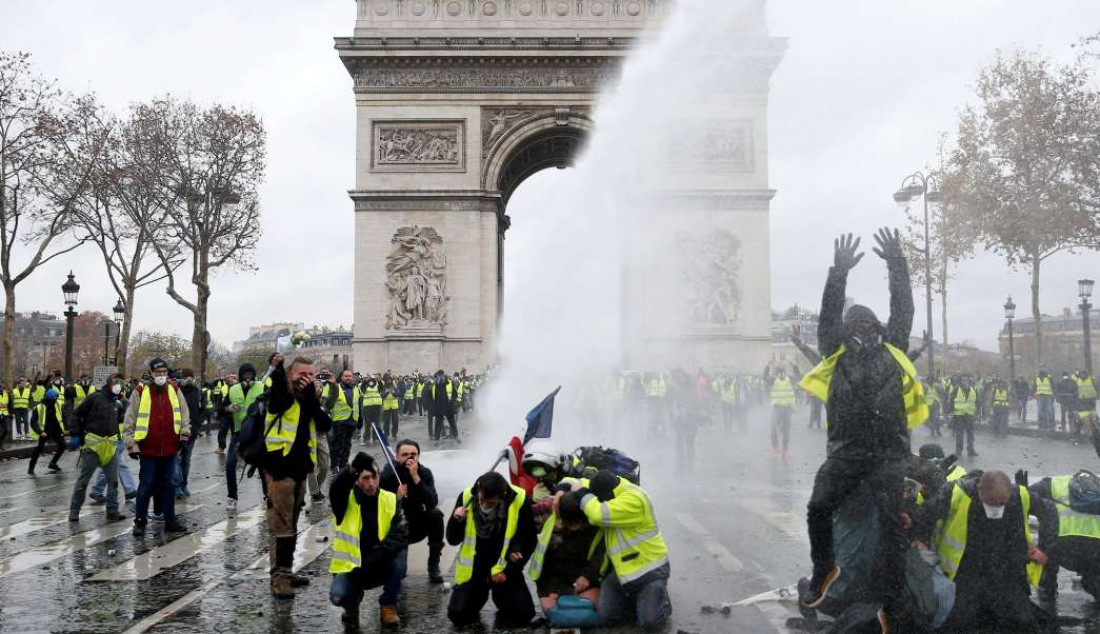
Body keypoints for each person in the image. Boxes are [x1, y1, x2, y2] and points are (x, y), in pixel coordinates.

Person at [798, 229, 924, 632]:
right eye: (860, 323)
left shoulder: (896, 348)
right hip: (848, 450)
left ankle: (891, 601)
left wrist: (896, 263)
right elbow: (829, 314)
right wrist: (838, 272)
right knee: (818, 507)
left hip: (888, 452)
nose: (867, 328)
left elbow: (903, 307)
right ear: (849, 329)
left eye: (872, 323)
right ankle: (824, 571)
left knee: (891, 530)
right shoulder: (835, 351)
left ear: (880, 327)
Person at [915, 470, 1044, 631]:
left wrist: (1045, 550)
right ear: (980, 491)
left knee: (1019, 620)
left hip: (1004, 569)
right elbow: (923, 517)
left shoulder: (1019, 495)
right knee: (959, 621)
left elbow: (1049, 511)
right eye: (992, 502)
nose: (997, 507)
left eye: (1002, 503)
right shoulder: (955, 493)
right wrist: (920, 542)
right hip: (964, 570)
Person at [262, 354, 332, 598]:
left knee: (290, 524)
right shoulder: (281, 394)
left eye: (311, 375)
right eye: (302, 374)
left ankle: (286, 571)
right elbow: (279, 385)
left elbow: (325, 424)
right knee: (280, 525)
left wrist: (312, 396)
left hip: (301, 468)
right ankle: (279, 578)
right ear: (291, 374)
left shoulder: (308, 399)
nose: (307, 379)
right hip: (279, 468)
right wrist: (279, 366)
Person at [564, 470, 671, 631]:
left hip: (649, 571)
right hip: (622, 573)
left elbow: (597, 514)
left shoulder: (634, 500)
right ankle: (639, 600)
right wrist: (561, 489)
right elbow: (575, 482)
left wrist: (581, 494)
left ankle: (662, 603)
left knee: (649, 623)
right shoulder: (612, 485)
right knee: (607, 616)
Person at [446, 471, 537, 627]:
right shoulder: (467, 496)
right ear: (478, 491)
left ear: (502, 496)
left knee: (523, 615)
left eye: (491, 503)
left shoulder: (520, 500)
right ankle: (477, 597)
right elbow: (452, 540)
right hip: (475, 569)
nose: (484, 506)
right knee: (458, 614)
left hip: (504, 567)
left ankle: (502, 598)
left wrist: (509, 571)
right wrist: (456, 521)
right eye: (481, 500)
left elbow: (530, 541)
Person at [329, 452, 407, 627]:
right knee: (338, 596)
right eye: (365, 478)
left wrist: (379, 553)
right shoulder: (344, 500)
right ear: (357, 480)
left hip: (380, 561)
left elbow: (401, 533)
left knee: (401, 552)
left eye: (374, 477)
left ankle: (388, 605)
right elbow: (336, 488)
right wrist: (352, 469)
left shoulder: (391, 499)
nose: (371, 483)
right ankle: (352, 605)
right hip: (352, 567)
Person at [124, 358, 191, 536]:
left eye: (163, 372)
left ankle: (170, 520)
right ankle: (140, 520)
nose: (161, 375)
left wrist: (184, 435)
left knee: (169, 485)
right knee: (146, 485)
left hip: (170, 447)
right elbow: (130, 419)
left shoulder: (174, 390)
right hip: (148, 449)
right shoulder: (140, 391)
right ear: (151, 373)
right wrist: (131, 445)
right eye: (157, 372)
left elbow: (184, 415)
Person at [530, 491, 605, 628]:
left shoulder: (594, 525)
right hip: (554, 581)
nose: (577, 527)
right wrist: (552, 590)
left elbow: (599, 557)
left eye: (579, 523)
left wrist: (587, 576)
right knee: (554, 614)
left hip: (582, 579)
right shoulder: (550, 529)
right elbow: (543, 568)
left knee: (590, 613)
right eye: (572, 524)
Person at [379, 439, 445, 583]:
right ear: (397, 457)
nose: (409, 458)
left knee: (436, 515)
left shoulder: (424, 473)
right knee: (398, 573)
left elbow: (432, 501)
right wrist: (396, 498)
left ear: (418, 457)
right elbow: (378, 507)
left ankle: (433, 565)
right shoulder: (388, 474)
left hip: (416, 524)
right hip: (394, 527)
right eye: (405, 454)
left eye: (413, 455)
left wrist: (416, 478)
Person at [1030, 472, 1100, 601]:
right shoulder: (1097, 486)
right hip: (1095, 549)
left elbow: (1028, 500)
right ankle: (1093, 584)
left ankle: (1047, 589)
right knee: (1094, 577)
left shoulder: (1052, 483)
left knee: (1047, 533)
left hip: (1059, 545)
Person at [69, 374, 127, 523]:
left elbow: (119, 420)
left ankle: (112, 511)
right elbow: (76, 414)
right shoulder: (94, 398)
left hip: (110, 447)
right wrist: (75, 434)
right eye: (115, 383)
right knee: (83, 480)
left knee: (113, 481)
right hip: (93, 446)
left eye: (120, 383)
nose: (118, 386)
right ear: (108, 384)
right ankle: (74, 511)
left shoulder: (117, 403)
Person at [225, 363, 265, 512]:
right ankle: (232, 497)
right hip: (238, 432)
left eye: (250, 374)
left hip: (256, 433)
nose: (247, 377)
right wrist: (228, 408)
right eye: (245, 375)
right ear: (241, 376)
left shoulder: (261, 386)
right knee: (230, 464)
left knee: (262, 466)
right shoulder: (233, 389)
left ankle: (267, 495)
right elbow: (221, 408)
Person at [325, 369, 361, 477]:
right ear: (341, 377)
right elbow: (329, 403)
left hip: (352, 421)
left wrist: (360, 421)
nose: (348, 378)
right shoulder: (336, 388)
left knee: (347, 445)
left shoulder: (356, 389)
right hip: (339, 421)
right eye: (346, 376)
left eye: (350, 376)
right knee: (337, 445)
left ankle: (343, 465)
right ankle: (334, 466)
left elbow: (358, 405)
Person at [175, 368, 203, 500]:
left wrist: (198, 424)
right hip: (178, 430)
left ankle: (183, 485)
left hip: (192, 431)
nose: (188, 379)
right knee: (177, 459)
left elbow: (202, 409)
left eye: (190, 376)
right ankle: (176, 486)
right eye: (186, 376)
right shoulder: (176, 391)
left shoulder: (197, 391)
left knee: (186, 459)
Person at [28, 388, 67, 475]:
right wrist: (40, 432)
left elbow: (64, 417)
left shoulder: (58, 404)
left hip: (56, 430)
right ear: (49, 398)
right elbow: (33, 421)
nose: (56, 400)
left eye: (56, 398)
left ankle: (53, 463)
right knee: (39, 448)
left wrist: (67, 428)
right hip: (44, 431)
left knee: (63, 445)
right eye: (54, 398)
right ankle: (31, 467)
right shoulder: (39, 407)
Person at [948, 374, 979, 457]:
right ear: (960, 381)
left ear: (969, 381)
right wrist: (951, 412)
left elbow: (977, 402)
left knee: (970, 433)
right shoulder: (956, 389)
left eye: (965, 380)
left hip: (970, 414)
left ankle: (970, 450)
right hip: (959, 414)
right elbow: (951, 400)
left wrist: (978, 413)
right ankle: (958, 451)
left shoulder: (974, 389)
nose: (964, 382)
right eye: (962, 380)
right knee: (959, 434)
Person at [428, 370, 460, 443]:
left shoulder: (449, 383)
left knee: (452, 423)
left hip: (448, 407)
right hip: (438, 408)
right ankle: (436, 440)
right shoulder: (433, 385)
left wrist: (452, 402)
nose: (439, 378)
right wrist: (432, 406)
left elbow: (455, 394)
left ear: (443, 376)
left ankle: (456, 437)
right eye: (438, 376)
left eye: (441, 376)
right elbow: (430, 396)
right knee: (437, 424)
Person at [770, 367, 795, 457]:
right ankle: (775, 447)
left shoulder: (790, 380)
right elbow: (765, 378)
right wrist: (768, 367)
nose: (781, 375)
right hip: (777, 407)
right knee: (773, 428)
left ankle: (785, 449)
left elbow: (799, 377)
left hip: (787, 408)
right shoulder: (774, 380)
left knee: (786, 430)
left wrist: (795, 367)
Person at [1075, 369, 1097, 438]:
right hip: (1081, 402)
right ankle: (1086, 433)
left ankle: (1089, 433)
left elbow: (1097, 388)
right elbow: (1075, 390)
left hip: (1091, 402)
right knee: (1084, 419)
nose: (1082, 375)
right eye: (1081, 374)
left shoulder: (1092, 380)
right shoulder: (1077, 381)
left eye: (1083, 374)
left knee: (1093, 418)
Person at [360, 375, 382, 444]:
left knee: (376, 423)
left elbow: (382, 387)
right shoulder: (365, 386)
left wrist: (379, 380)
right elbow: (362, 388)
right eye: (369, 379)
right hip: (367, 407)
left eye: (372, 379)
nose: (371, 380)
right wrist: (365, 381)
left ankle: (375, 437)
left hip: (376, 406)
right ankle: (366, 438)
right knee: (367, 423)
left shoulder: (377, 385)